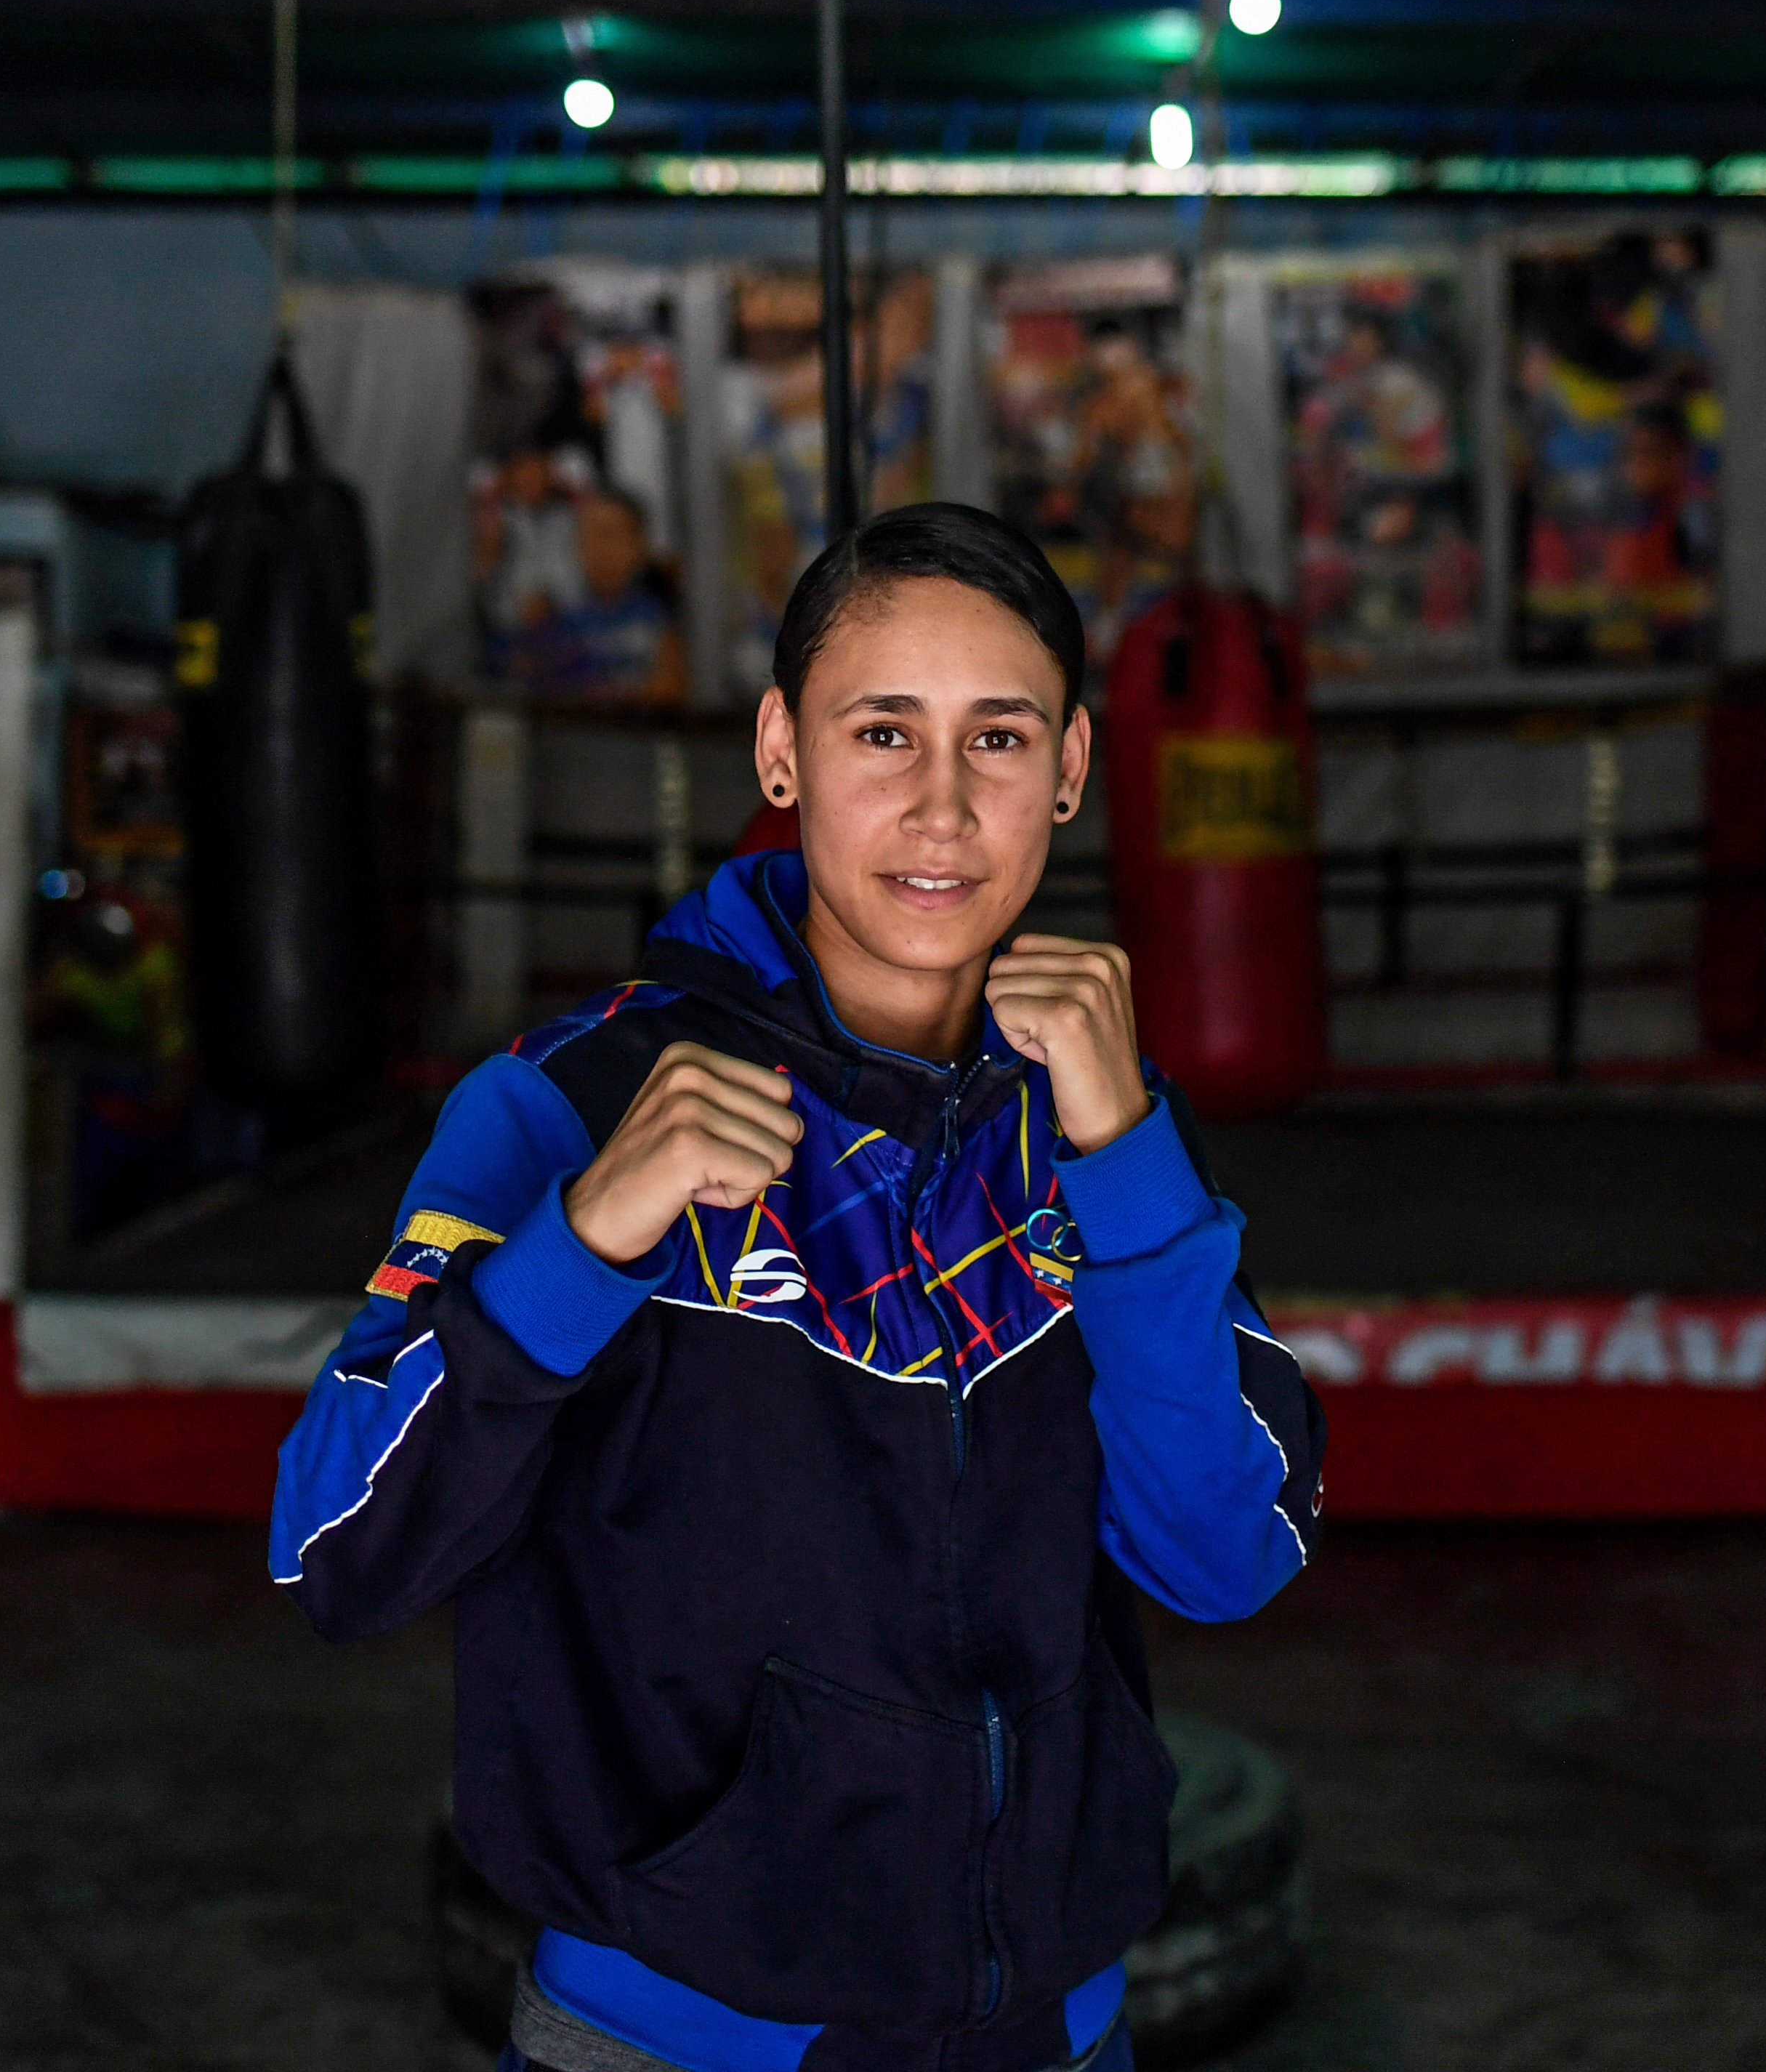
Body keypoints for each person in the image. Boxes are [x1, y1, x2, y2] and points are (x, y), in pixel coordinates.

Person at [270, 502, 1322, 2072]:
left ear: (1074, 769)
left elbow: (1225, 1551)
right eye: (881, 731)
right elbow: (336, 1547)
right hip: (674, 2033)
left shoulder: (1092, 1117)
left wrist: (1128, 1159)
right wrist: (581, 1243)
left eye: (1000, 738)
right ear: (781, 751)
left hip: (1050, 2028)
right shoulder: (571, 1105)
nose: (942, 808)